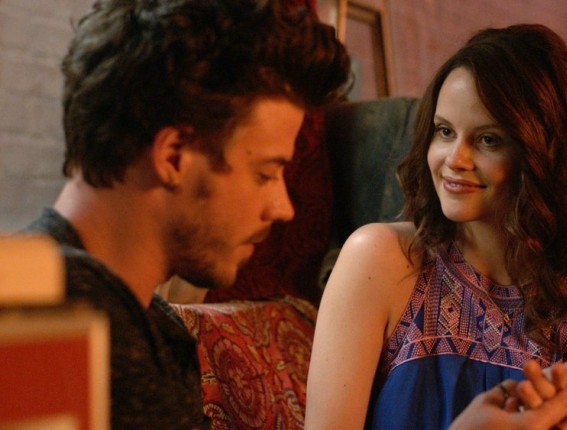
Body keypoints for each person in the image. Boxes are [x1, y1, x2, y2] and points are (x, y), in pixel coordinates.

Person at [305, 23, 567, 429]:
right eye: (444, 131)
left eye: (488, 139)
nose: (454, 159)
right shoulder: (377, 258)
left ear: (545, 155)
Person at [23, 0, 350, 428]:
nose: (283, 207)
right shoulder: (71, 322)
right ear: (174, 155)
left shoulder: (140, 319)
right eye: (266, 173)